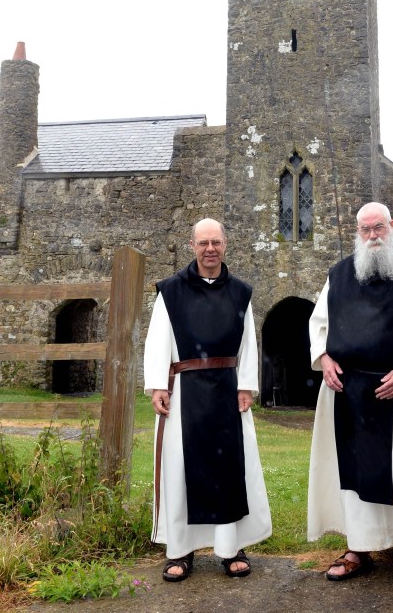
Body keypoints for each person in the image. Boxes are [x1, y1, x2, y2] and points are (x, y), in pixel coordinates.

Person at [307, 201, 393, 581]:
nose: (372, 235)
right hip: (346, 391)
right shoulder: (339, 276)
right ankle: (358, 546)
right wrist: (324, 359)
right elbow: (318, 323)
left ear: (392, 226)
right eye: (365, 229)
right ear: (357, 233)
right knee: (351, 471)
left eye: (379, 227)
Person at [144, 217, 271, 582]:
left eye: (215, 242)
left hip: (227, 391)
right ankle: (180, 552)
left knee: (229, 468)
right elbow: (157, 340)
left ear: (225, 244)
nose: (210, 249)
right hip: (184, 391)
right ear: (192, 246)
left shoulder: (240, 292)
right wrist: (158, 386)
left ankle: (231, 548)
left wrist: (246, 385)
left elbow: (248, 342)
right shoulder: (170, 290)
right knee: (180, 470)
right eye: (203, 243)